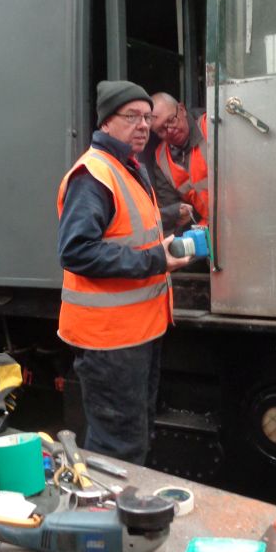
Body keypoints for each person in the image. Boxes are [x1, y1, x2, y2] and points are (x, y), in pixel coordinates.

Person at [56, 80, 190, 465]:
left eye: (147, 117)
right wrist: (156, 261)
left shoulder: (127, 168)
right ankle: (103, 522)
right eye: (132, 117)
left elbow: (128, 227)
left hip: (137, 334)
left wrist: (170, 216)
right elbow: (77, 251)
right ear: (106, 123)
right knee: (117, 449)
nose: (144, 125)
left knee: (134, 438)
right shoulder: (94, 174)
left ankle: (127, 520)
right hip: (110, 343)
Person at [150, 92, 208, 236]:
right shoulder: (161, 160)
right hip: (208, 231)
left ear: (182, 109)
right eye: (161, 130)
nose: (169, 130)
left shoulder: (211, 127)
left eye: (171, 120)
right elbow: (174, 211)